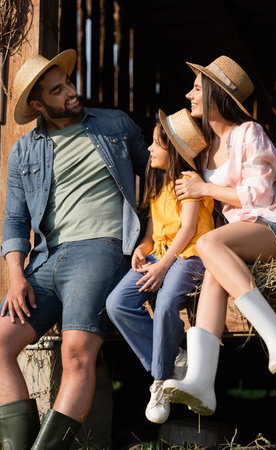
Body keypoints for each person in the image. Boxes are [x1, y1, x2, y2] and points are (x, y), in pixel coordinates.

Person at [0, 49, 149, 449]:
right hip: (46, 259)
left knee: (75, 352)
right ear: (37, 104)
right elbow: (15, 220)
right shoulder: (24, 151)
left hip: (100, 249)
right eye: (57, 90)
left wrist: (151, 235)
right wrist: (16, 275)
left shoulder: (114, 124)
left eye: (67, 82)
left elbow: (156, 180)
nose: (70, 91)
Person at [162, 55, 276, 416]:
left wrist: (204, 188)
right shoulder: (207, 150)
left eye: (196, 88)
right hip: (243, 234)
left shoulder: (249, 133)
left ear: (216, 94)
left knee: (210, 244)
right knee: (212, 272)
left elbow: (259, 195)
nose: (189, 94)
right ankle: (202, 382)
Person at [106, 108, 214, 424]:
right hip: (161, 254)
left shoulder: (188, 182)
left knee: (166, 302)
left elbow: (189, 228)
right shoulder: (158, 184)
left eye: (156, 143)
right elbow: (154, 230)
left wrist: (164, 265)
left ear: (176, 150)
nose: (150, 149)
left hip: (189, 256)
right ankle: (171, 356)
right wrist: (142, 248)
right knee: (117, 303)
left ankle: (160, 381)